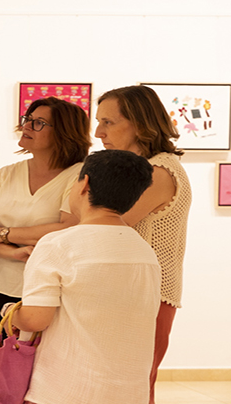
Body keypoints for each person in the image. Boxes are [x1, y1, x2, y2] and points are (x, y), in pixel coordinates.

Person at [12, 149, 160, 404]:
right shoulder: (144, 250)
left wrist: (10, 312)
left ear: (84, 184)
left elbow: (36, 319)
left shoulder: (58, 244)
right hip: (129, 393)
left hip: (63, 390)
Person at [94, 85, 191, 403]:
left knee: (132, 384)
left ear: (139, 122)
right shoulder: (135, 169)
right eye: (99, 121)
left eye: (108, 122)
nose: (99, 132)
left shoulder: (160, 170)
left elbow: (106, 225)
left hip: (149, 293)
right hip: (128, 291)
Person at [0, 96, 92, 331]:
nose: (26, 126)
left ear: (64, 132)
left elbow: (67, 229)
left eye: (39, 123)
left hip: (51, 288)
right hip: (0, 285)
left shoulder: (79, 175)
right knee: (8, 360)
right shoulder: (6, 174)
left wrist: (2, 233)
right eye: (28, 119)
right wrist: (16, 253)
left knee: (46, 365)